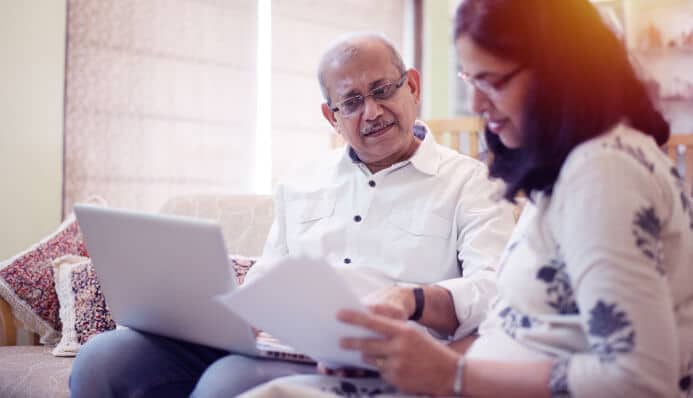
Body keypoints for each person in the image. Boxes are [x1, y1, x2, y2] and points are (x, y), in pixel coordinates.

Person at [238, 1, 693, 397]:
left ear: (562, 71)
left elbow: (641, 381)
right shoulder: (580, 165)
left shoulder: (601, 172)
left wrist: (450, 374)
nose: (474, 105)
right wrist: (415, 363)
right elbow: (521, 328)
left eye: (492, 81)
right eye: (469, 80)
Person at [69, 32, 516, 397]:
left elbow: (494, 291)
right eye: (353, 102)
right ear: (331, 116)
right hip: (278, 345)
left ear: (412, 87)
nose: (372, 112)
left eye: (382, 91)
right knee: (105, 360)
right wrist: (239, 309)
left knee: (227, 384)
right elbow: (269, 274)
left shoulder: (472, 183)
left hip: (378, 359)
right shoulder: (301, 181)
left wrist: (411, 298)